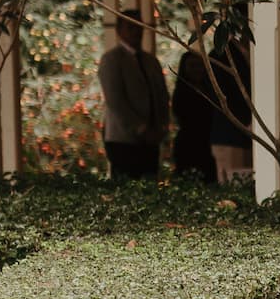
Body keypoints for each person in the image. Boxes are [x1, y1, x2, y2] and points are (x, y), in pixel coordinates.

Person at [97, 14, 170, 182]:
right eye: (131, 27)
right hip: (123, 138)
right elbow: (115, 100)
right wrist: (140, 128)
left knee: (150, 183)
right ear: (119, 31)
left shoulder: (151, 61)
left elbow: (162, 96)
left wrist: (162, 126)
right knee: (126, 186)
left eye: (139, 27)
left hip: (152, 138)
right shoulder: (112, 59)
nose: (136, 32)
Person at [171, 48, 219, 183]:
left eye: (200, 65)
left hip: (207, 145)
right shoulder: (181, 93)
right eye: (192, 66)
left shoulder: (210, 91)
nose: (197, 70)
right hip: (188, 146)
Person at [207, 41, 252, 183]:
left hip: (248, 136)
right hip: (228, 134)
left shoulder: (251, 52)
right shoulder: (219, 55)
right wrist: (245, 123)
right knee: (231, 186)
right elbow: (219, 97)